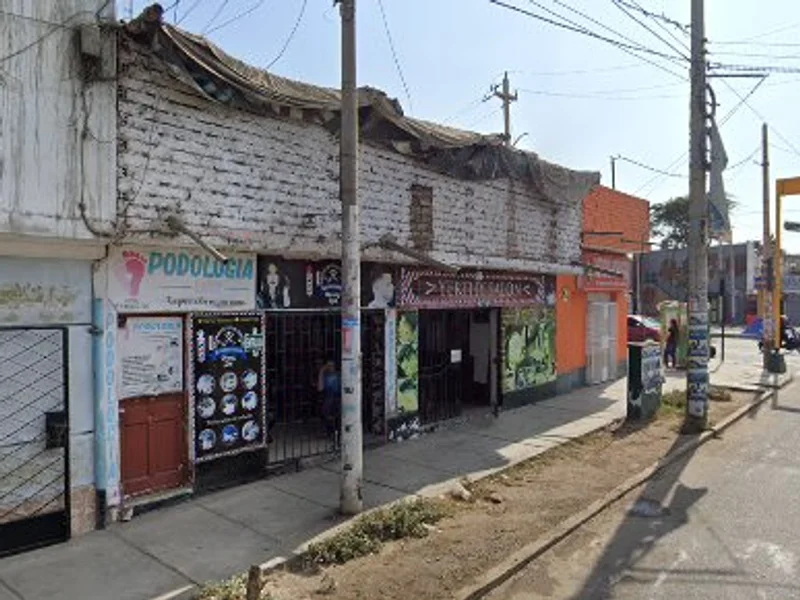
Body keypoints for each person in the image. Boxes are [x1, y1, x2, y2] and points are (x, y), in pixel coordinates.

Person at [317, 360, 341, 444]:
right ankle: (330, 430)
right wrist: (321, 372)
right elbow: (320, 388)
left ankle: (335, 431)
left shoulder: (339, 374)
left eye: (332, 365)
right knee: (326, 410)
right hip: (328, 396)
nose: (330, 368)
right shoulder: (325, 376)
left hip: (338, 396)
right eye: (328, 366)